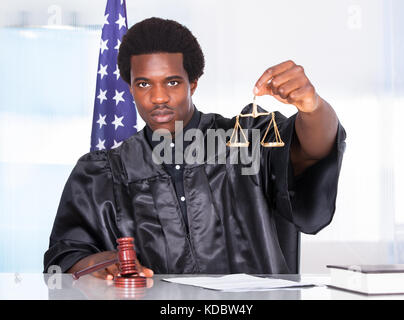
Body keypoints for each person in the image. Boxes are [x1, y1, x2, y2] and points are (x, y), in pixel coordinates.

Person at [44, 17, 346, 279]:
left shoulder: (247, 140)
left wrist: (312, 107)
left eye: (172, 82)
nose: (158, 97)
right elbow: (66, 257)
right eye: (144, 84)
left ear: (194, 83)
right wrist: (94, 263)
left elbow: (312, 152)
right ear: (130, 86)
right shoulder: (100, 173)